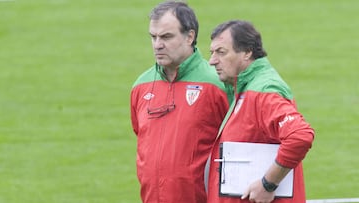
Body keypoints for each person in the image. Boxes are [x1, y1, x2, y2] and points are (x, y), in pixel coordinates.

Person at [130, 1, 232, 202]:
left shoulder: (218, 84)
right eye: (154, 37)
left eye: (166, 37)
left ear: (190, 37)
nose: (158, 44)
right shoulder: (140, 86)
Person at [206, 20, 315, 203]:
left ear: (247, 52)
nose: (212, 61)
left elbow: (300, 136)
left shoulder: (264, 90)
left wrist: (268, 184)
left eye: (221, 52)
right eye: (212, 53)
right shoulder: (243, 87)